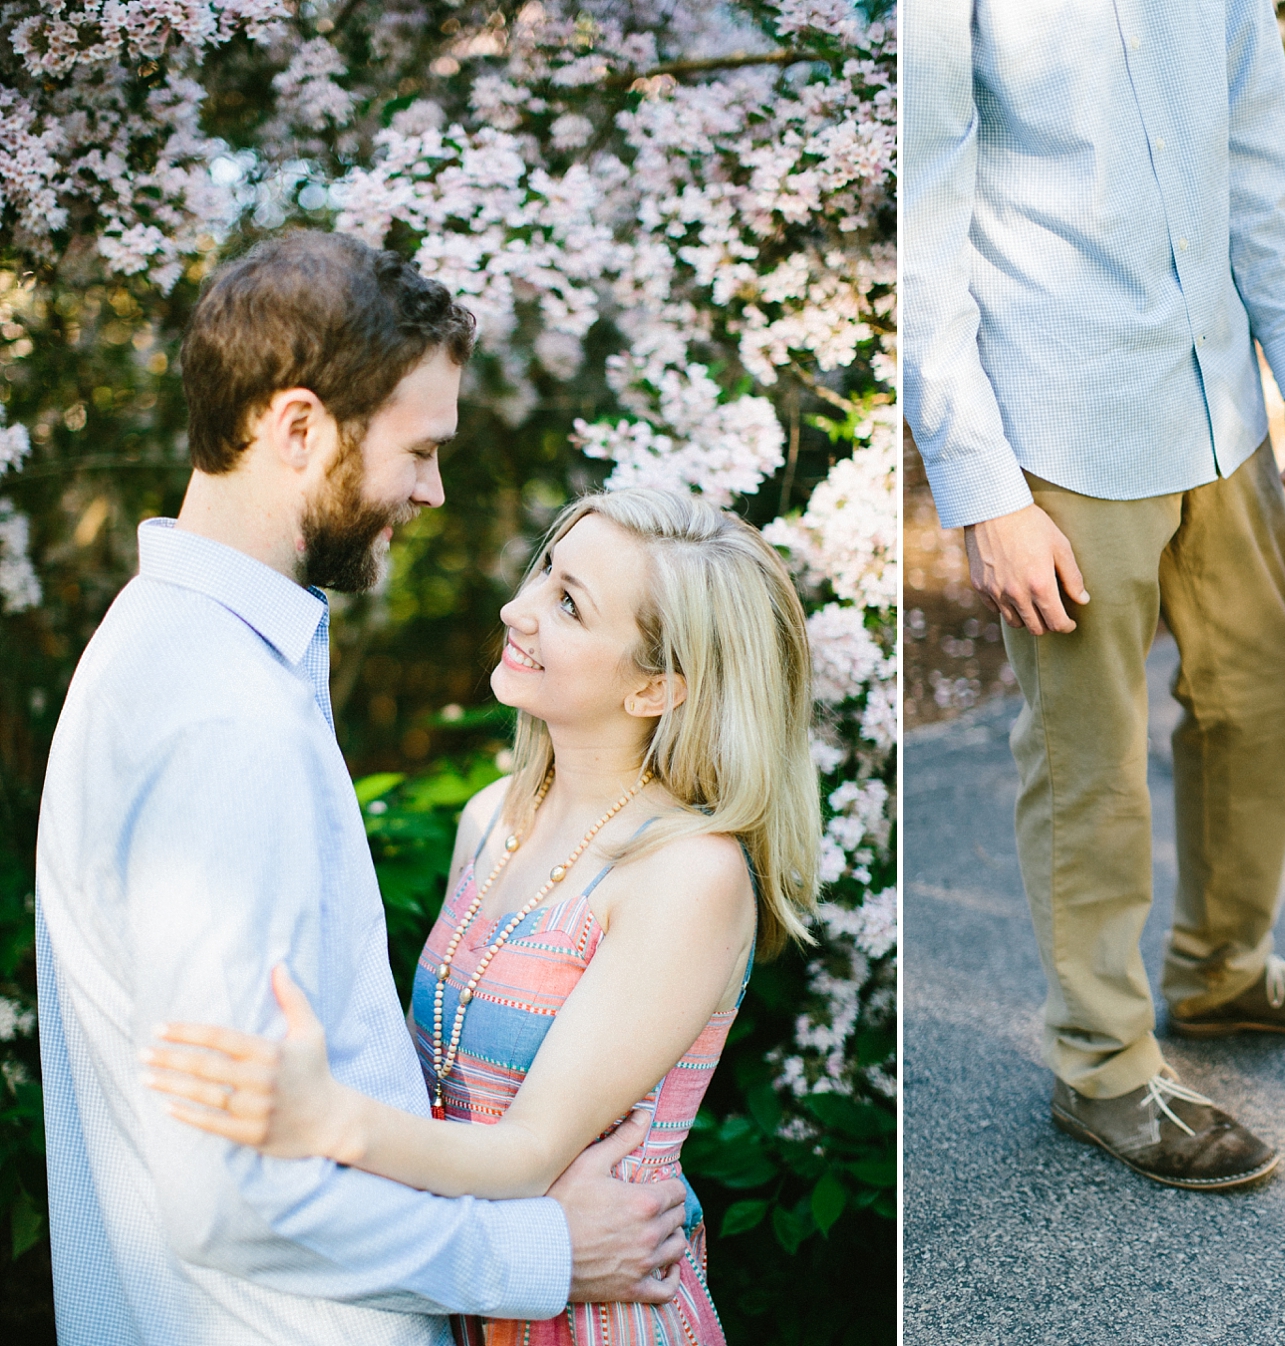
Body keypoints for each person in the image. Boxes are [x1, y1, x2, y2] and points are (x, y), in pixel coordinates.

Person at [36, 231, 698, 1344]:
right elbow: (230, 1196)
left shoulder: (166, 651)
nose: (433, 491)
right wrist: (542, 1252)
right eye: (419, 449)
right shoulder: (226, 723)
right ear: (299, 427)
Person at [902, 0, 1285, 1192]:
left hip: (1217, 397)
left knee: (1255, 695)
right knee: (1090, 759)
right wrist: (984, 491)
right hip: (1061, 420)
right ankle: (1104, 1066)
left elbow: (1253, 143)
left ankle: (1225, 971)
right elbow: (925, 223)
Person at [142, 486, 819, 1345]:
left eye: (568, 605)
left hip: (601, 1315)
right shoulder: (493, 815)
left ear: (656, 688)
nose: (518, 608)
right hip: (478, 1285)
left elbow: (527, 1153)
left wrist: (326, 1118)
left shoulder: (687, 874)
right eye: (545, 574)